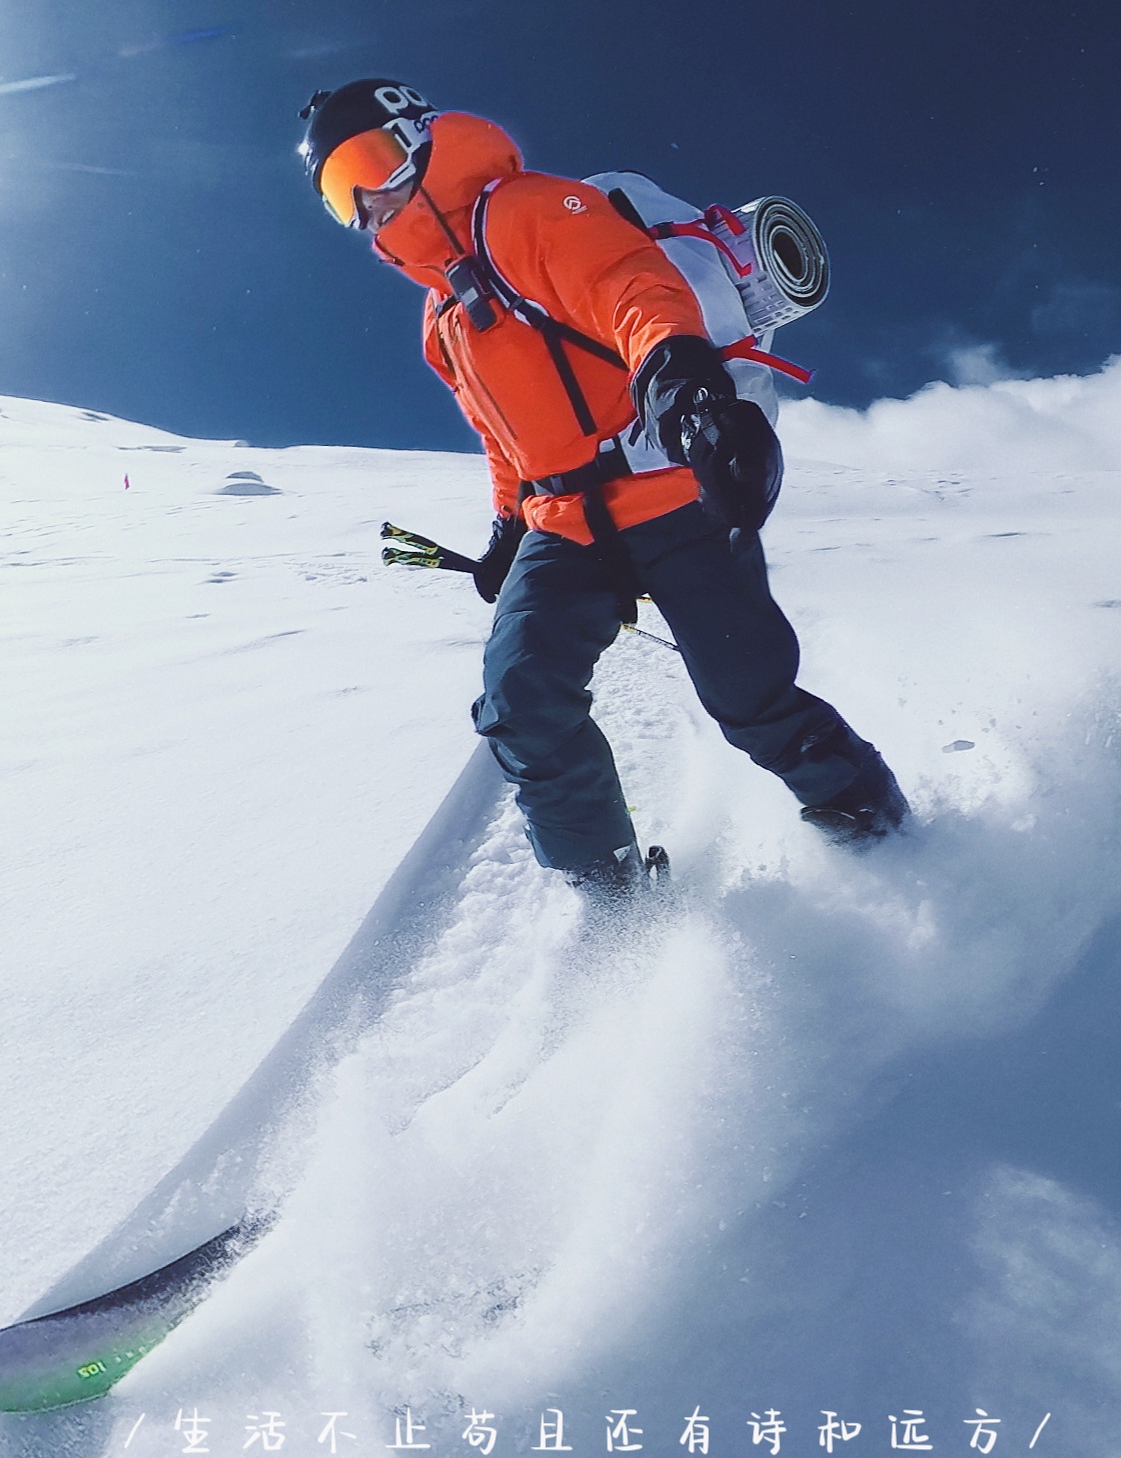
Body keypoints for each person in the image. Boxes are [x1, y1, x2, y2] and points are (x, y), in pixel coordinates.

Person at [298, 78, 907, 894]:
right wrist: (507, 535)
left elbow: (629, 285)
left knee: (749, 697)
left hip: (665, 488)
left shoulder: (521, 208)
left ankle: (880, 832)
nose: (368, 202)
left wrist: (689, 389)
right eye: (342, 196)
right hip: (562, 523)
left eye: (368, 164)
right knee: (520, 700)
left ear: (417, 137)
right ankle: (608, 889)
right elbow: (500, 436)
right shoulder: (440, 317)